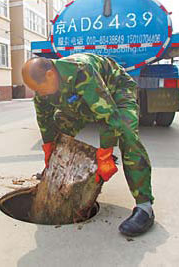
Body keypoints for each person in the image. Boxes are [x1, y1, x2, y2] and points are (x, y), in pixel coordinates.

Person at [21, 53, 155, 237]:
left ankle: (144, 207)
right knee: (61, 127)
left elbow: (109, 117)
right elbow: (45, 122)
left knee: (126, 134)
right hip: (83, 99)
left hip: (116, 91)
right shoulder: (42, 91)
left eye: (39, 88)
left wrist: (105, 154)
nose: (39, 93)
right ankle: (58, 174)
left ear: (50, 74)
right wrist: (49, 151)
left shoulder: (81, 70)